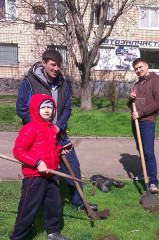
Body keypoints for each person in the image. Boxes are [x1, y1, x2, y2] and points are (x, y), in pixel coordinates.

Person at [15, 49, 98, 210]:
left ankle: (79, 202)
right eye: (53, 65)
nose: (56, 68)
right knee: (39, 172)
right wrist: (41, 127)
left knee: (73, 166)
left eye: (59, 65)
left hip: (59, 134)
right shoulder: (30, 82)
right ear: (44, 63)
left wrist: (57, 127)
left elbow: (67, 109)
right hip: (37, 137)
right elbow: (21, 109)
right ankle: (33, 208)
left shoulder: (62, 83)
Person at [10, 94, 70, 240]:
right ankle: (18, 237)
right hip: (34, 177)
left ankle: (52, 232)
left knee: (54, 204)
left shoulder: (51, 129)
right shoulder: (29, 128)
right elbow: (18, 151)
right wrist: (37, 163)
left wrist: (59, 150)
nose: (47, 110)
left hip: (51, 173)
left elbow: (46, 151)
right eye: (43, 107)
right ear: (35, 109)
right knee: (28, 208)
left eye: (50, 107)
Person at [127, 58, 159, 194]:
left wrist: (141, 113)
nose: (138, 70)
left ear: (146, 66)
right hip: (136, 121)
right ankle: (145, 173)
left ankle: (153, 182)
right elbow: (129, 105)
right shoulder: (137, 84)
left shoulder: (155, 81)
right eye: (136, 69)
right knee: (140, 149)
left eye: (140, 67)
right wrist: (131, 98)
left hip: (147, 121)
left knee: (148, 151)